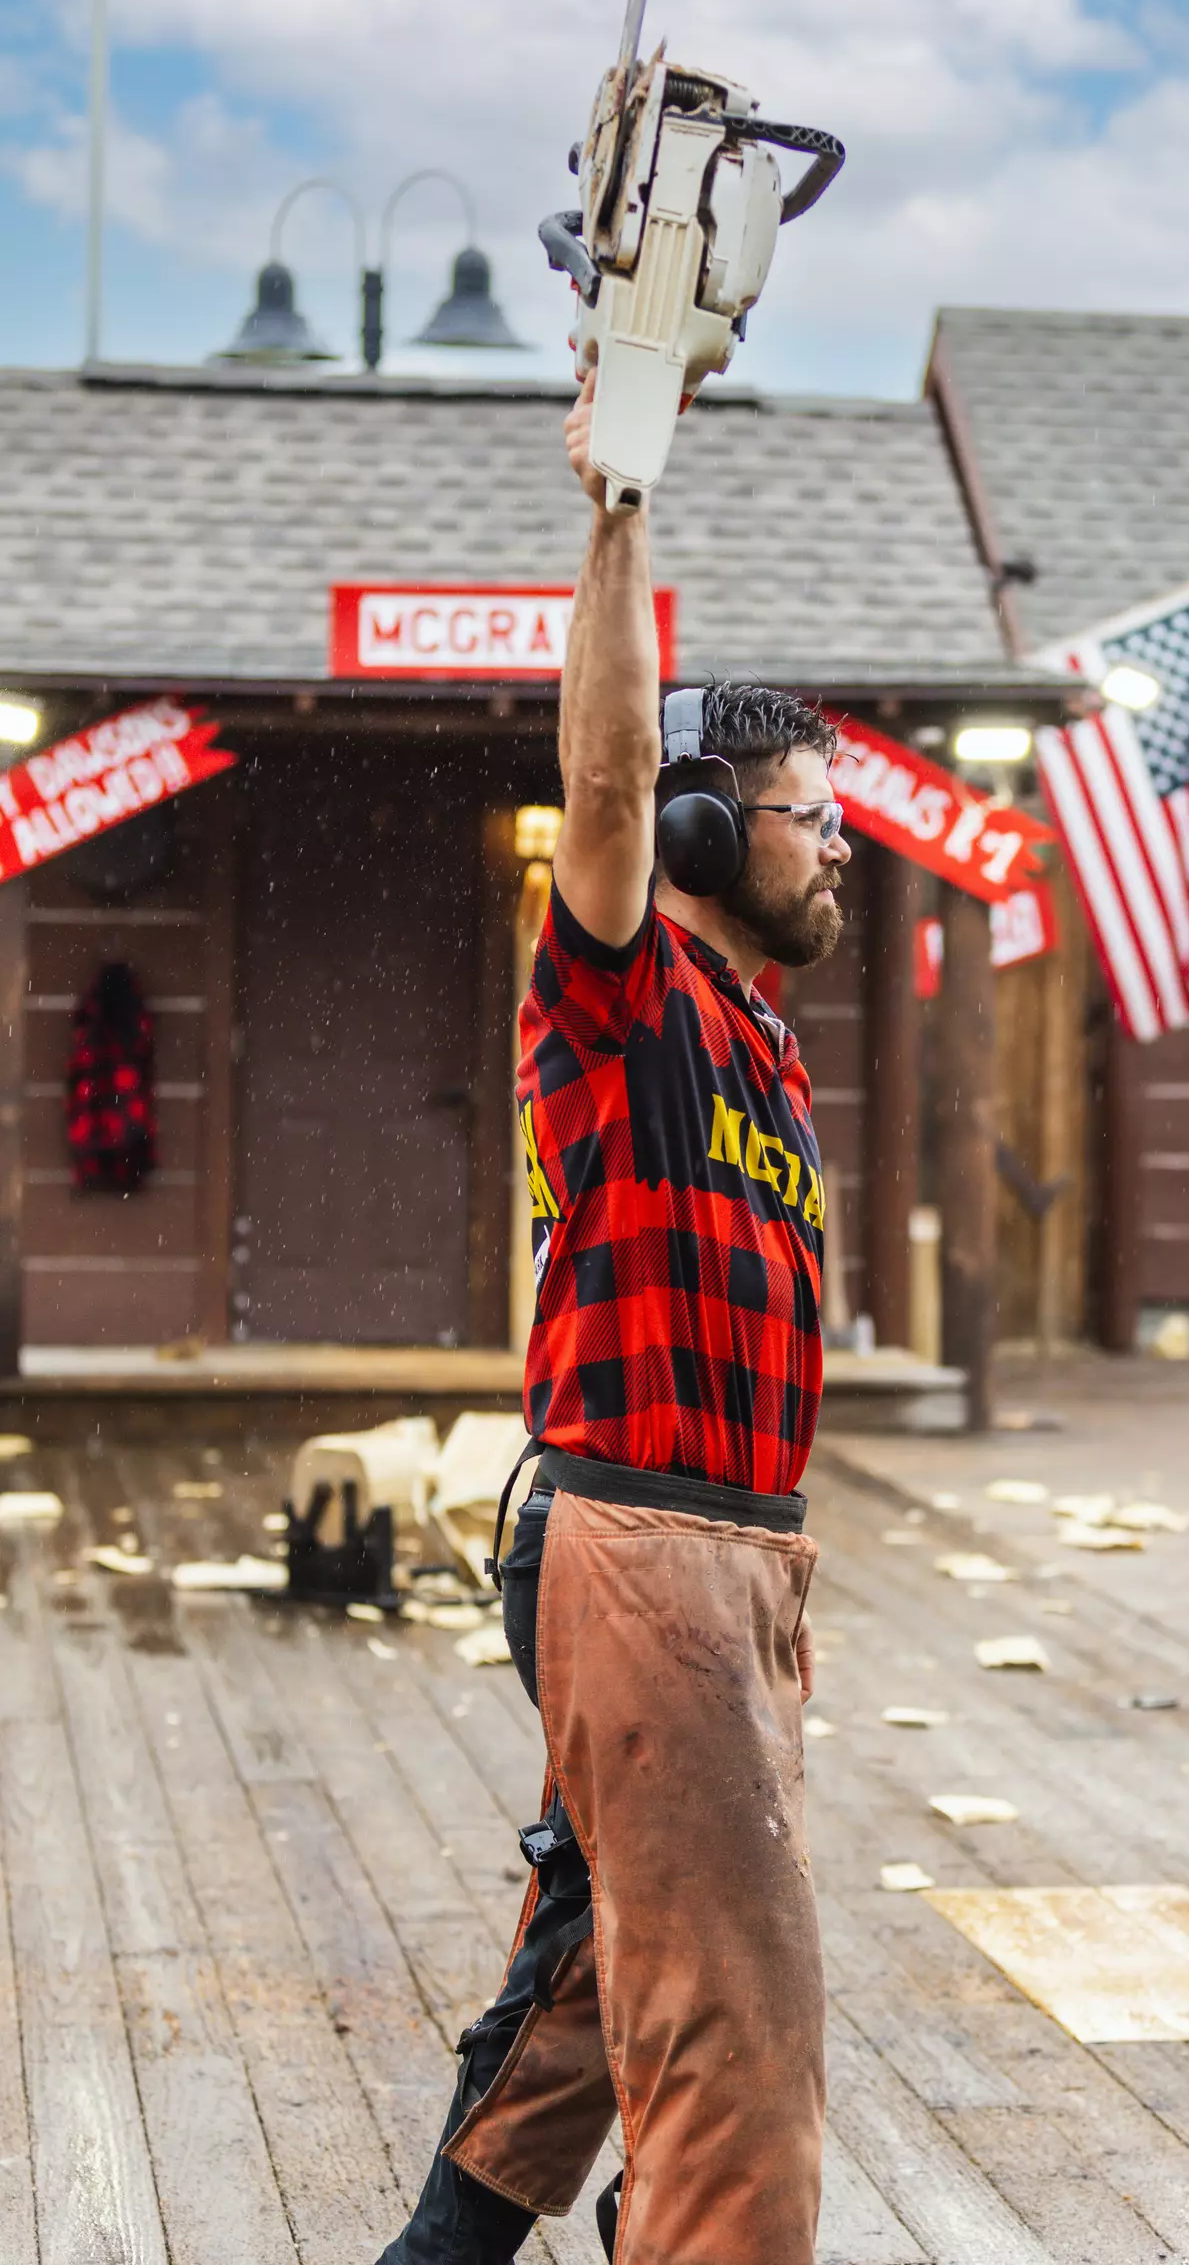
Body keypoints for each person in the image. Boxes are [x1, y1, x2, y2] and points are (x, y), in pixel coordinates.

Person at [377, 369, 850, 2265]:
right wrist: (620, 502)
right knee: (736, 2038)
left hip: (737, 1561)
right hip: (643, 1542)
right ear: (710, 835)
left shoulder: (765, 1046)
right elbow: (597, 781)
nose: (842, 848)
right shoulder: (622, 988)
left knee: (590, 1974)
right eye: (813, 820)